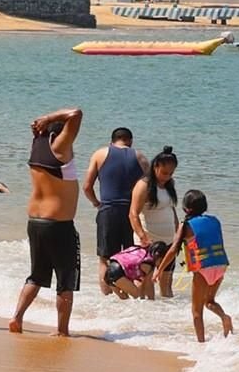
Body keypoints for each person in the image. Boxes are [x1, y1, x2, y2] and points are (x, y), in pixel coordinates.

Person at [9, 108, 84, 336]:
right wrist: (50, 118)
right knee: (65, 280)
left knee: (37, 275)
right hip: (59, 226)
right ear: (60, 135)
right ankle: (62, 331)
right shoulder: (60, 149)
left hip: (36, 223)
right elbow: (76, 114)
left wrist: (41, 125)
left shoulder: (37, 147)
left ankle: (17, 318)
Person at [155, 190, 233, 342]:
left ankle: (201, 344)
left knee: (196, 311)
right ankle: (224, 317)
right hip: (221, 265)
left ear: (185, 208)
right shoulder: (215, 220)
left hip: (203, 269)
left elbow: (173, 250)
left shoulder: (186, 225)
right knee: (209, 302)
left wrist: (160, 269)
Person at [83, 128, 148, 295]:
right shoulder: (140, 157)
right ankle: (132, 297)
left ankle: (107, 300)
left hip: (108, 211)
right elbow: (150, 189)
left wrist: (97, 203)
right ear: (131, 141)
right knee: (132, 259)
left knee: (105, 258)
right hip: (131, 213)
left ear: (111, 141)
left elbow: (87, 187)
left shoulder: (100, 154)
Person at [129, 147, 179, 297]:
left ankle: (164, 315)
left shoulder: (170, 185)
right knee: (144, 281)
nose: (167, 176)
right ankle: (137, 313)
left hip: (169, 242)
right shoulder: (144, 185)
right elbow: (133, 214)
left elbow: (172, 209)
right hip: (148, 242)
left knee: (167, 283)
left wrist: (178, 232)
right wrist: (142, 236)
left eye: (171, 173)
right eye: (164, 173)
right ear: (155, 166)